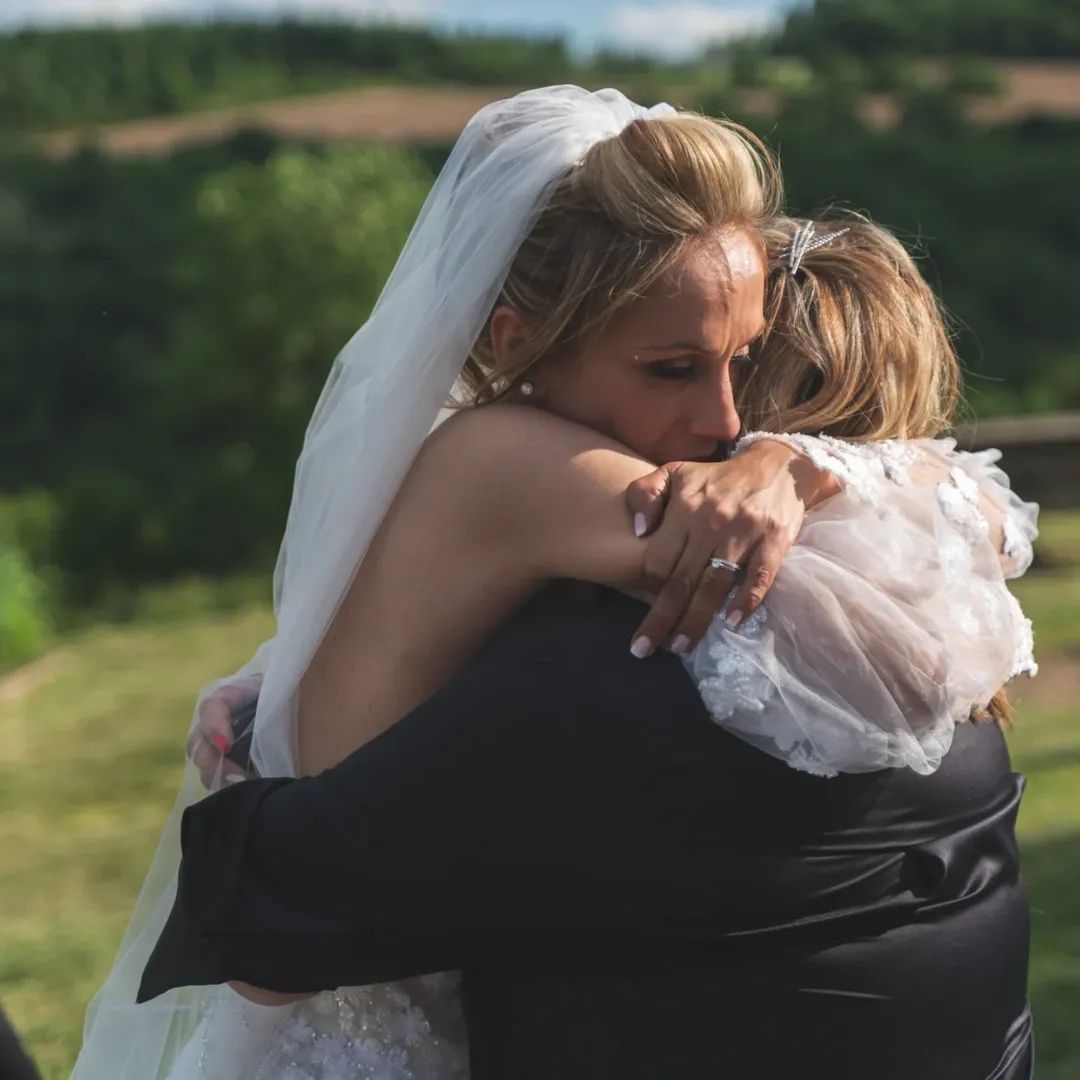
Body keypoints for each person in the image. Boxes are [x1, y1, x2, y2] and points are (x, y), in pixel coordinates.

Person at [72, 88, 1035, 1078]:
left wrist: (797, 460)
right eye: (671, 368)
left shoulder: (503, 469)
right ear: (513, 344)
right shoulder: (505, 457)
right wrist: (805, 467)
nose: (724, 420)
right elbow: (908, 543)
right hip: (344, 949)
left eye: (742, 361)